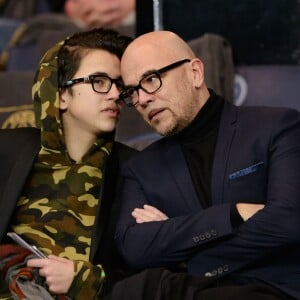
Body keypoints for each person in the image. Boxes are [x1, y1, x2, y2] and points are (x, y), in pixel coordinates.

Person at [115, 30, 300, 299]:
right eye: (132, 92)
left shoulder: (276, 127)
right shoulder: (141, 168)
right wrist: (230, 215)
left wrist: (187, 259)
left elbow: (288, 222)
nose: (142, 100)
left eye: (152, 80)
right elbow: (135, 248)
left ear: (195, 73)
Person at [0, 27, 135, 299]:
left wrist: (87, 280)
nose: (114, 94)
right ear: (61, 95)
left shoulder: (135, 170)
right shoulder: (6, 150)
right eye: (99, 81)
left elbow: (158, 278)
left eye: (120, 85)